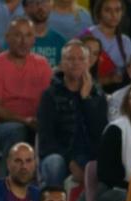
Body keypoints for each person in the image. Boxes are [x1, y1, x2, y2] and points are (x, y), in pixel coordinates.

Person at [37, 40, 108, 187]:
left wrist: (85, 99)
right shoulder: (50, 95)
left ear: (88, 63)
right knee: (55, 163)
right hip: (60, 154)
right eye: (70, 59)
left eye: (81, 59)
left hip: (89, 154)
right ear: (62, 63)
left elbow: (99, 133)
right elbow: (46, 140)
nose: (75, 63)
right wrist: (70, 162)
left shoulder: (98, 95)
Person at [0, 17, 52, 161]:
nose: (23, 41)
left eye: (28, 35)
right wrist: (25, 121)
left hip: (34, 123)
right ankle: (11, 181)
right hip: (1, 126)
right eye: (18, 35)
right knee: (17, 130)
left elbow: (48, 100)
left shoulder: (43, 64)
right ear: (7, 38)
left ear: (34, 39)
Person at [80, 0, 131, 93]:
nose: (113, 14)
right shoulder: (87, 35)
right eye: (108, 10)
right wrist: (107, 79)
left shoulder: (126, 41)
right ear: (99, 12)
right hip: (89, 90)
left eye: (117, 10)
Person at [23, 0, 67, 68]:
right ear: (25, 8)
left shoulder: (61, 41)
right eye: (35, 2)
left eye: (44, 1)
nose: (40, 6)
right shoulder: (16, 41)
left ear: (50, 5)